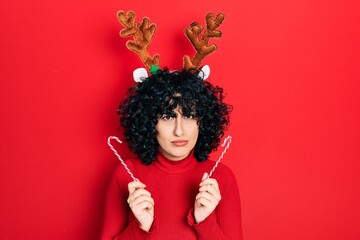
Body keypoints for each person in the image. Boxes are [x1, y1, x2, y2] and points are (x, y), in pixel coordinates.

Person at [101, 68, 242, 239]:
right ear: (150, 122)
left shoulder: (222, 177)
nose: (179, 131)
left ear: (202, 121)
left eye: (189, 115)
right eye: (168, 117)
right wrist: (140, 228)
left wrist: (204, 222)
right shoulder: (126, 176)